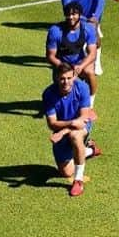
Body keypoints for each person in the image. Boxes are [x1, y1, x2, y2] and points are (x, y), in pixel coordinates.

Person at [41, 62, 101, 197]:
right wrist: (71, 123)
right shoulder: (49, 94)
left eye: (69, 78)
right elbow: (52, 123)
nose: (66, 82)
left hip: (81, 126)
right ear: (56, 78)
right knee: (66, 172)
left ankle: (78, 181)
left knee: (75, 135)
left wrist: (62, 131)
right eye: (62, 78)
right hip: (67, 125)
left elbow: (82, 120)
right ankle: (90, 150)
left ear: (74, 76)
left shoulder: (82, 88)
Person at [46, 1, 99, 101]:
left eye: (74, 14)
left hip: (79, 63)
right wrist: (65, 68)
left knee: (90, 73)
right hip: (62, 64)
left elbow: (92, 53)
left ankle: (90, 104)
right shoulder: (55, 31)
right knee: (63, 91)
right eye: (68, 14)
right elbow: (50, 56)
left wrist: (81, 66)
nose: (70, 17)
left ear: (79, 15)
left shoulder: (88, 28)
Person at [61, 0, 105, 76]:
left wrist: (95, 17)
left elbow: (100, 0)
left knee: (95, 37)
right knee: (73, 38)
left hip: (92, 17)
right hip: (76, 18)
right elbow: (67, 4)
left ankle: (97, 62)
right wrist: (81, 18)